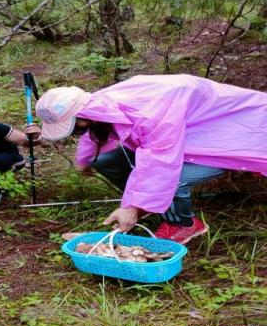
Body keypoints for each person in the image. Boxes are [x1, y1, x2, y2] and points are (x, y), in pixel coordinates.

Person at [35, 74, 267, 244]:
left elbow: (160, 160)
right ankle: (155, 204)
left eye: (74, 125)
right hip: (185, 133)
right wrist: (84, 160)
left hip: (225, 134)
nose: (76, 131)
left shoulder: (149, 113)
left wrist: (131, 206)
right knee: (106, 160)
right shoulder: (100, 105)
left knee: (173, 180)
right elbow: (97, 133)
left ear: (84, 115)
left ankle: (183, 224)